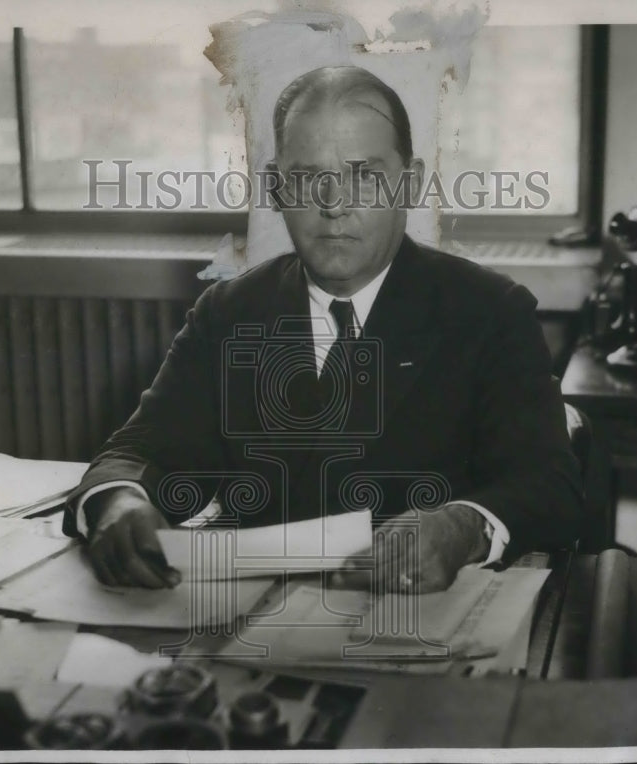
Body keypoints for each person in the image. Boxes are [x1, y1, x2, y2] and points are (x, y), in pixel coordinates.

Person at [63, 65, 583, 592]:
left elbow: (549, 485)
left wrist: (462, 525)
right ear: (275, 188)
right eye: (310, 178)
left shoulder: (489, 311)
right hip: (252, 618)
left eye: (364, 174)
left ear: (413, 182)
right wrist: (120, 500)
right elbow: (140, 451)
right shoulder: (229, 312)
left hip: (418, 617)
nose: (334, 205)